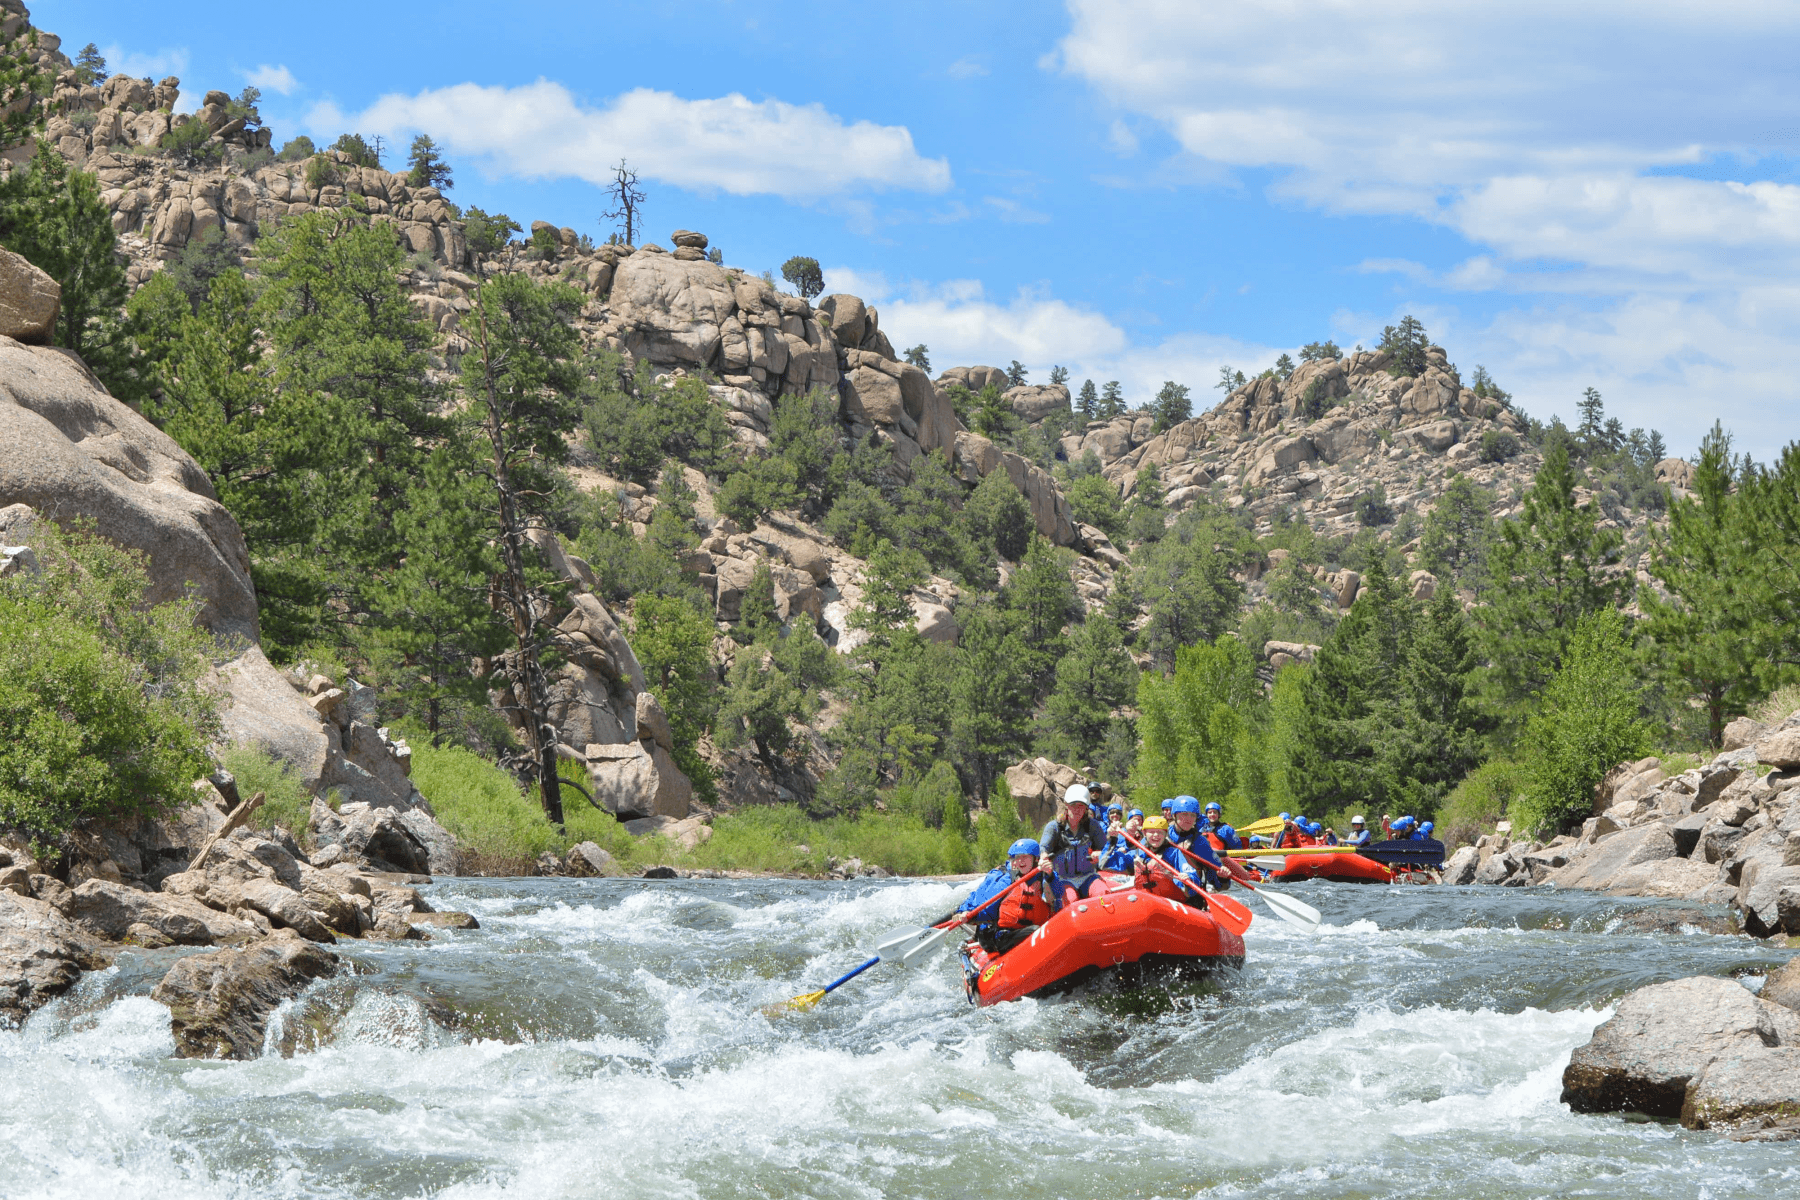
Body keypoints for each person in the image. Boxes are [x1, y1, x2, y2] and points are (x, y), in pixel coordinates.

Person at [955, 838, 1063, 954]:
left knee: (1039, 931)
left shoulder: (1045, 876)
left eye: (1025, 857)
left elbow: (1059, 894)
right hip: (1001, 935)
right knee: (1035, 931)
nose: (1020, 861)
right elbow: (984, 902)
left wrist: (1050, 875)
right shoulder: (1006, 879)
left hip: (1030, 931)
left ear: (1035, 859)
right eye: (1016, 857)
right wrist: (967, 914)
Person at [1039, 784, 1108, 900]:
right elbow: (1043, 850)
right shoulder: (1054, 827)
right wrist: (1044, 858)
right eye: (1073, 805)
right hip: (1062, 878)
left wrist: (1100, 854)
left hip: (1088, 876)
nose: (1077, 809)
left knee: (1103, 893)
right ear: (1066, 805)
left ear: (1086, 807)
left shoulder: (1093, 826)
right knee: (1070, 899)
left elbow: (1105, 850)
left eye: (1081, 806)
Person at [1131, 817, 1206, 904]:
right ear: (1144, 833)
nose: (1156, 835)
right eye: (1151, 832)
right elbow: (1115, 863)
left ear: (1165, 834)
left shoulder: (1173, 853)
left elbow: (1190, 872)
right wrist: (1112, 837)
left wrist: (1188, 877)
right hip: (1145, 902)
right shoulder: (1137, 853)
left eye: (1160, 832)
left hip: (1170, 904)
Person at [1166, 796, 1226, 886]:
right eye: (1184, 814)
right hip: (1162, 885)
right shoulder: (1161, 834)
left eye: (1192, 815)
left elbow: (1216, 873)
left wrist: (1222, 876)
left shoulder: (1200, 842)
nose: (1189, 819)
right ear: (1174, 815)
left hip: (1188, 890)